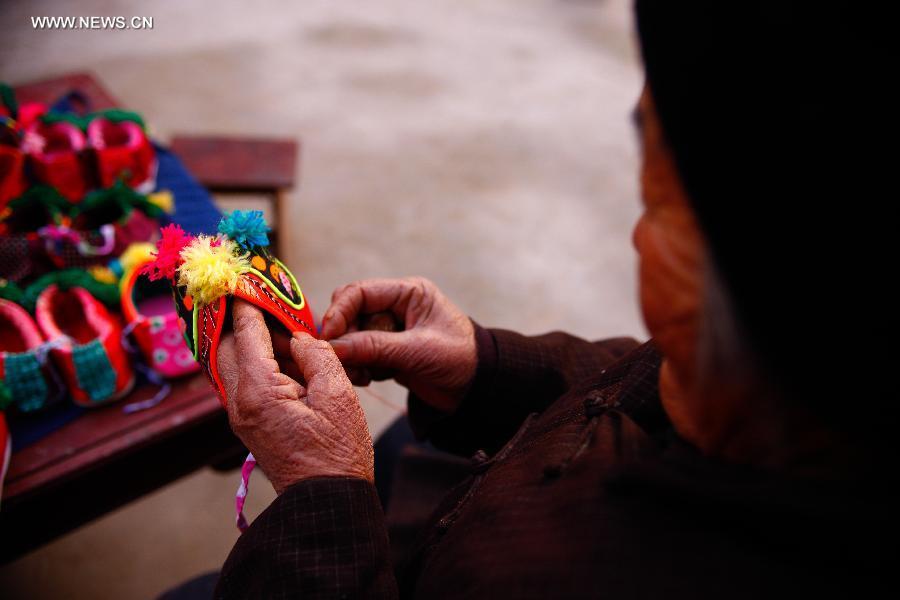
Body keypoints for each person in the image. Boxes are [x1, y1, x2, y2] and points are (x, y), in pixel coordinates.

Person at [212, 2, 894, 598]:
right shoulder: (805, 394)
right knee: (398, 443)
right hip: (469, 509)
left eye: (658, 204)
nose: (634, 236)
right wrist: (486, 365)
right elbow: (636, 377)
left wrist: (321, 503)